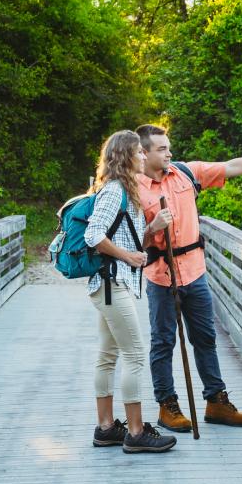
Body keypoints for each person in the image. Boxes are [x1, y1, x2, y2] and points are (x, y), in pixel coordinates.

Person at [135, 123, 242, 432]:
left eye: (169, 146)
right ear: (143, 153)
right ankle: (167, 406)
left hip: (195, 273)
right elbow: (129, 243)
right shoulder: (132, 189)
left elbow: (232, 165)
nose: (169, 152)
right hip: (161, 277)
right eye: (161, 149)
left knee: (206, 338)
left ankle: (216, 402)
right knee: (163, 343)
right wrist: (152, 228)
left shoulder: (185, 173)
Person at [84, 129, 177, 453]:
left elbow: (130, 237)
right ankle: (136, 433)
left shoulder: (125, 190)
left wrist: (152, 229)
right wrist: (128, 257)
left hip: (112, 284)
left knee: (108, 356)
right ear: (126, 156)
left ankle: (107, 427)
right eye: (138, 152)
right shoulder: (114, 191)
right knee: (135, 355)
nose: (143, 156)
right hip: (112, 284)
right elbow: (93, 235)